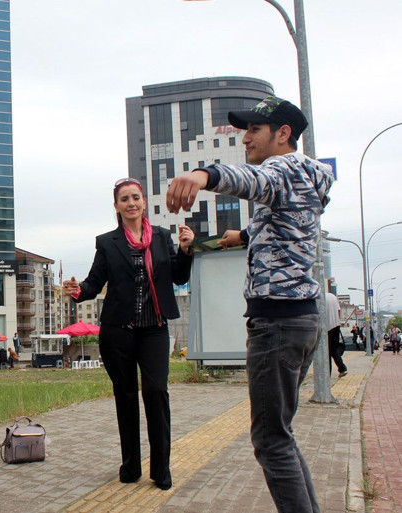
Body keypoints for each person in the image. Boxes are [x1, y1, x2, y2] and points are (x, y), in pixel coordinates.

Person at [167, 96, 333, 513]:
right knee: (281, 435)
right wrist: (245, 236)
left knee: (270, 442)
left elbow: (249, 180)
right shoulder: (308, 176)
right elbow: (292, 225)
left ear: (283, 135)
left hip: (277, 321)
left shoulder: (281, 168)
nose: (245, 138)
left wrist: (205, 174)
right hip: (301, 318)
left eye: (254, 130)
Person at [63, 177, 194, 490]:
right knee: (125, 397)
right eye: (124, 199)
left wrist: (187, 251)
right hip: (117, 332)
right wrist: (77, 290)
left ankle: (161, 469)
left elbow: (177, 277)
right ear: (117, 206)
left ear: (144, 202)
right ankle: (131, 465)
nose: (131, 203)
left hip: (154, 330)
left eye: (136, 197)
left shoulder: (162, 237)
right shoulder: (107, 242)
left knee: (155, 392)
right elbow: (94, 283)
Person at [325, 293, 348, 377]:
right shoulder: (332, 296)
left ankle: (327, 374)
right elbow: (339, 310)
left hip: (326, 327)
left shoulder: (320, 296)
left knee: (326, 351)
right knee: (333, 349)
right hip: (336, 325)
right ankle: (342, 368)